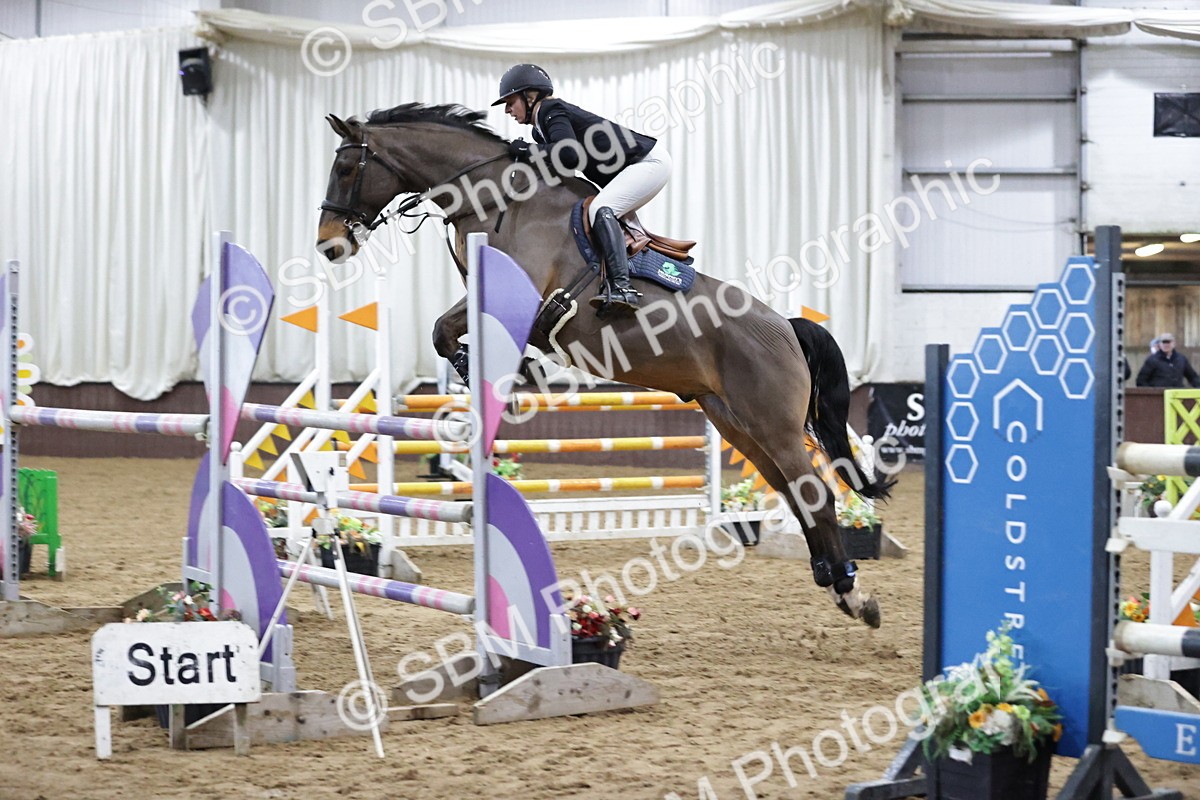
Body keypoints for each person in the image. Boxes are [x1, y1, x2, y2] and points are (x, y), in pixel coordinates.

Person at [492, 63, 672, 314]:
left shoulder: (549, 110)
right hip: (637, 166)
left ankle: (623, 288)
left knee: (600, 209)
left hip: (648, 163)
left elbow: (568, 154)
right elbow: (564, 170)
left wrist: (527, 151)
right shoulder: (540, 130)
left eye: (510, 102)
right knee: (594, 209)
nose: (507, 110)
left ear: (530, 96)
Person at [1136, 332, 1200, 388]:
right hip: (1158, 395)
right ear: (1159, 344)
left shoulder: (1181, 359)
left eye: (1168, 342)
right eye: (1163, 342)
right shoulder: (1152, 360)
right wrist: (1151, 393)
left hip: (1177, 394)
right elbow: (1141, 380)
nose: (1166, 345)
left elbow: (1193, 377)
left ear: (1174, 344)